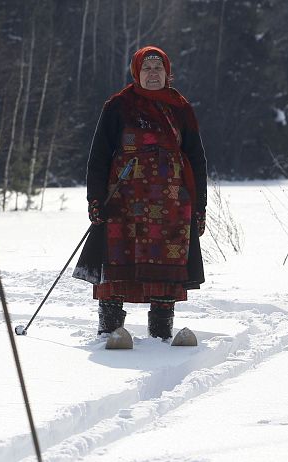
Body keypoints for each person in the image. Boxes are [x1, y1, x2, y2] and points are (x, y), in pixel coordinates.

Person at [73, 45, 207, 342]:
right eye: (147, 68)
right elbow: (99, 158)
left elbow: (197, 160)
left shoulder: (181, 108)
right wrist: (95, 200)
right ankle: (110, 331)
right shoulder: (118, 106)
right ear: (137, 72)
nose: (153, 73)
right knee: (116, 260)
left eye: (158, 68)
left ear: (167, 73)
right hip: (124, 200)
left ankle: (160, 336)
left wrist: (200, 207)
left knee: (166, 265)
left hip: (172, 203)